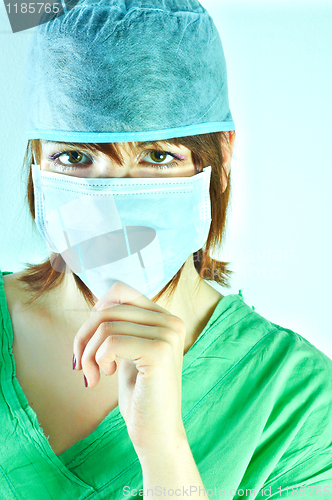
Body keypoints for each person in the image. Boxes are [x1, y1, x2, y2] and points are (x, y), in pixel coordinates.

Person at [0, 0, 331, 499]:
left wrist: (165, 451)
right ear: (37, 165)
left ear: (220, 158)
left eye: (157, 156)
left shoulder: (298, 401)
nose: (113, 200)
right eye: (74, 156)